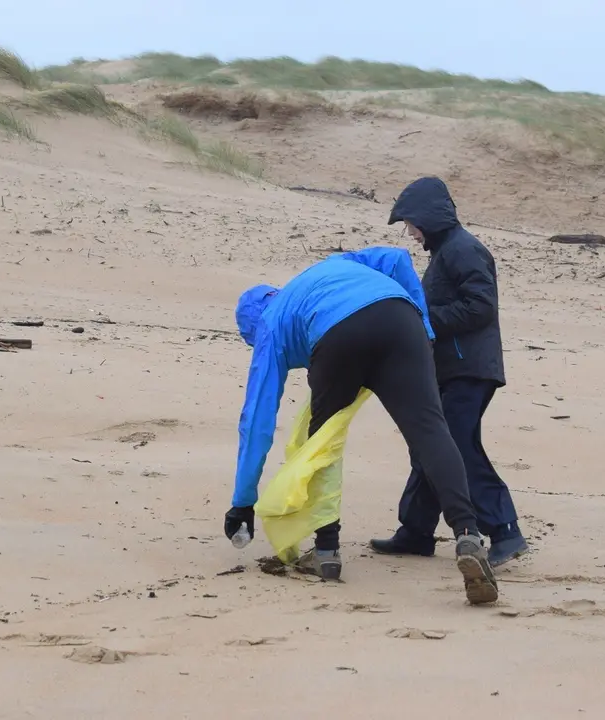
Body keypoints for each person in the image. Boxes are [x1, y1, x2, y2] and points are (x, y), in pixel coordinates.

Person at [223, 246, 499, 605]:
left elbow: (256, 421)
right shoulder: (330, 267)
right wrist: (426, 327)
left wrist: (243, 502)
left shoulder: (270, 325)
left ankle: (327, 551)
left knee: (322, 442)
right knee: (430, 430)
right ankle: (468, 535)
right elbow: (397, 259)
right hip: (400, 318)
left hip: (338, 335)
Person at [370, 176, 529, 568]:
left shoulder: (464, 249)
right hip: (452, 369)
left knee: (455, 448)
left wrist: (423, 320)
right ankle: (416, 531)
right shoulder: (446, 252)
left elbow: (481, 307)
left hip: (470, 369)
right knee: (431, 446)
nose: (410, 233)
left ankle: (505, 530)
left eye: (411, 223)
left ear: (428, 217)